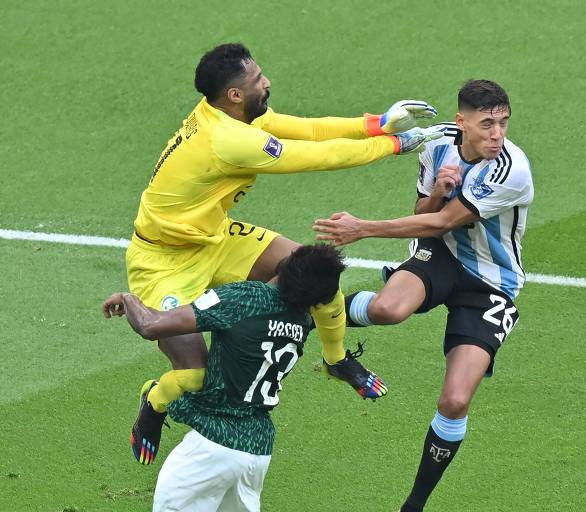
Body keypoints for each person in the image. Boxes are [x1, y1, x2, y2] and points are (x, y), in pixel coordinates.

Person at [126, 42, 443, 464]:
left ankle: (335, 359)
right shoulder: (229, 139)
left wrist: (379, 122)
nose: (267, 82)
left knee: (317, 275)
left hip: (215, 239)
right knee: (195, 376)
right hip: (162, 262)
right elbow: (319, 156)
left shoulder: (232, 114)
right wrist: (395, 145)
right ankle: (154, 401)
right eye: (257, 80)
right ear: (235, 94)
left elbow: (308, 129)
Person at [313, 79, 534, 512]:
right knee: (387, 309)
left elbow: (441, 222)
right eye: (487, 124)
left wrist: (363, 228)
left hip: (491, 281)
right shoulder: (438, 147)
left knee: (454, 400)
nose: (497, 134)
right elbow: (425, 214)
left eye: (504, 123)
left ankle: (413, 504)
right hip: (442, 257)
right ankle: (316, 314)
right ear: (461, 122)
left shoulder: (511, 169)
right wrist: (436, 191)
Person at [104, 244, 350, 511]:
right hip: (257, 452)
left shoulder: (244, 298)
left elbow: (150, 326)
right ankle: (155, 401)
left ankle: (155, 401)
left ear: (286, 264)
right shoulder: (301, 321)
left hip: (212, 448)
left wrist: (129, 299)